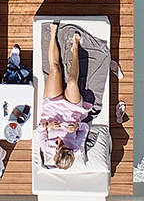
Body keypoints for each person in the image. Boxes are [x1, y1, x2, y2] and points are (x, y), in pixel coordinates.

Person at [34, 23, 98, 171]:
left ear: (56, 153)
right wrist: (76, 127)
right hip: (72, 111)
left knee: (55, 70)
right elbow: (85, 128)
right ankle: (75, 48)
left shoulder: (47, 147)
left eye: (60, 148)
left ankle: (52, 34)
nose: (62, 144)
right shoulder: (76, 147)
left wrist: (48, 125)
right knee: (72, 83)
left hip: (52, 108)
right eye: (66, 147)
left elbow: (39, 130)